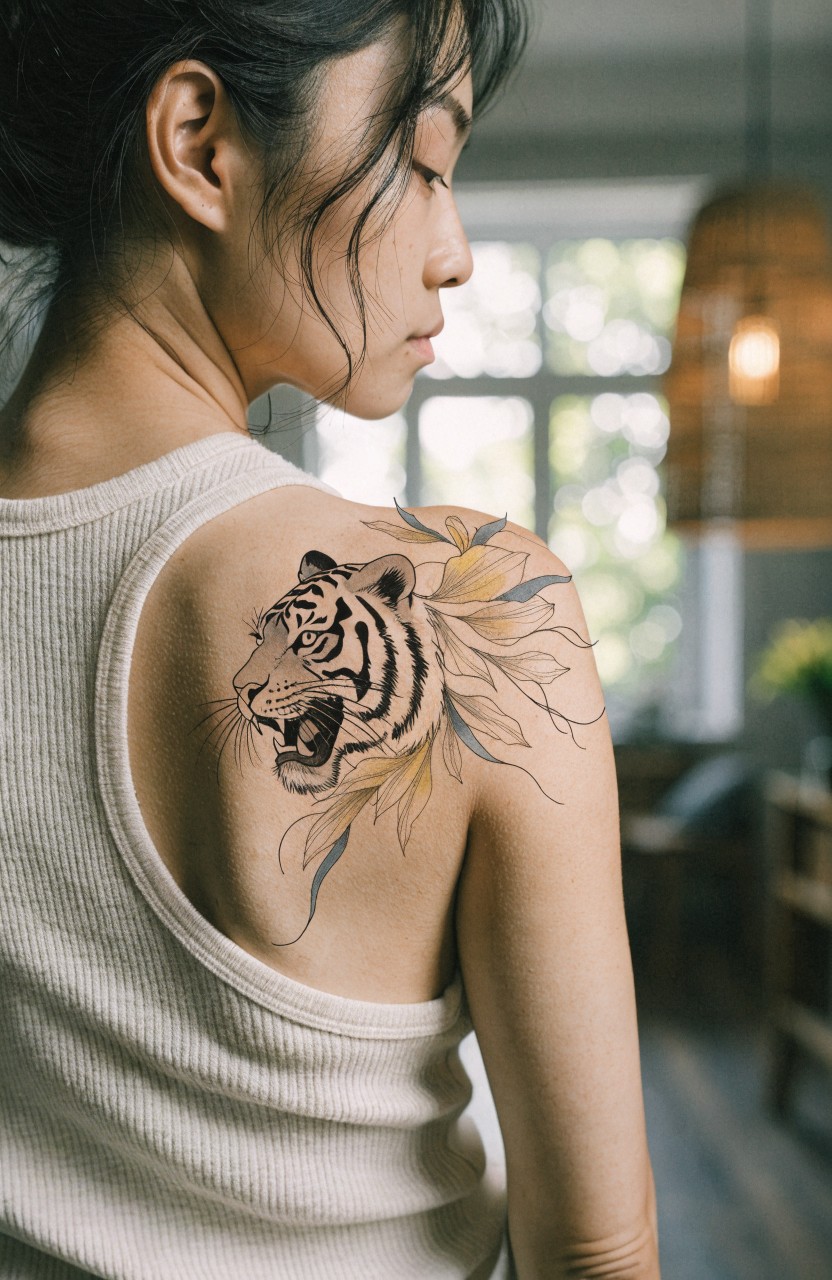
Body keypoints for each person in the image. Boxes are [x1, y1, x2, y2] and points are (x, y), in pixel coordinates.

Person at [0, 2, 660, 1277]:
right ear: (198, 141)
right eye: (421, 161)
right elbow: (596, 1246)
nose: (453, 247)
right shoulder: (478, 606)